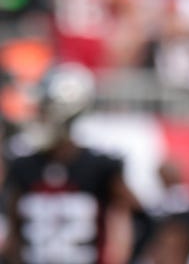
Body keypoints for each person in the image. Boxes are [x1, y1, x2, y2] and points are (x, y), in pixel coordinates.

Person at [0, 63, 142, 264]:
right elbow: (14, 234)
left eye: (44, 110)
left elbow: (142, 218)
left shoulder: (99, 166)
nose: (38, 117)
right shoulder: (23, 166)